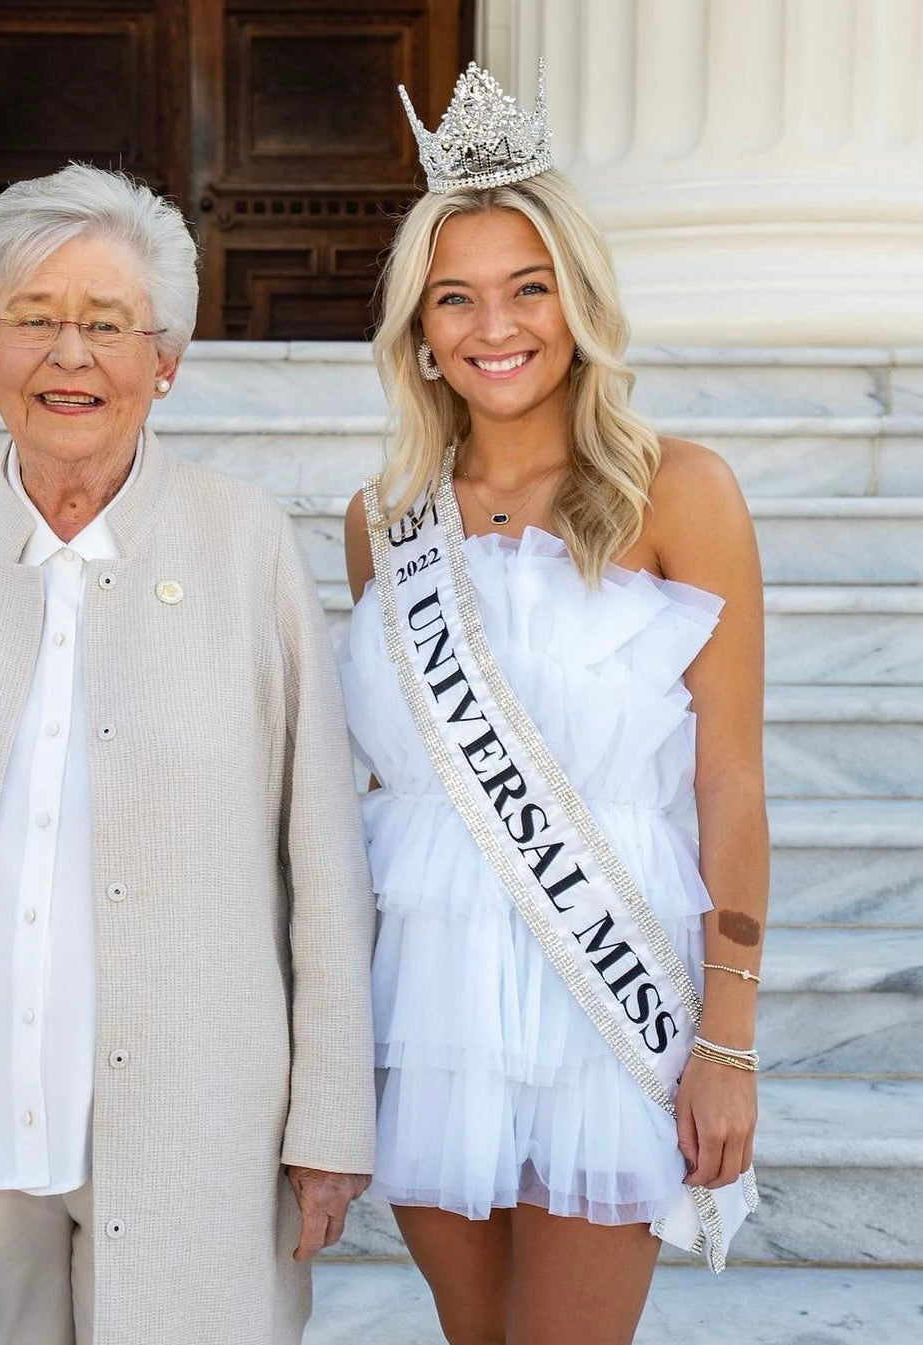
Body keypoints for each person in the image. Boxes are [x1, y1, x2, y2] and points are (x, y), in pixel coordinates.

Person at [0, 162, 376, 1345]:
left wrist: (331, 1119)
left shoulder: (245, 542)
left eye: (106, 324)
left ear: (168, 360)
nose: (69, 355)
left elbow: (324, 854)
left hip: (199, 1126)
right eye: (32, 320)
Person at [341, 63, 766, 1344]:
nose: (495, 326)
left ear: (579, 303)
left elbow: (731, 779)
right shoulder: (383, 525)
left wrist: (729, 1038)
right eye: (455, 297)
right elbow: (382, 781)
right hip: (431, 997)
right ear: (420, 326)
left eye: (530, 288)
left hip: (607, 990)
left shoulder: (680, 492)